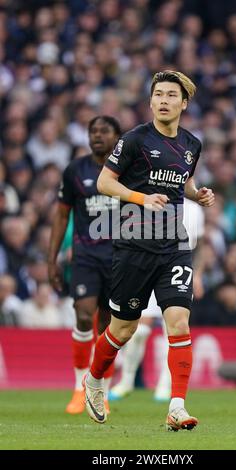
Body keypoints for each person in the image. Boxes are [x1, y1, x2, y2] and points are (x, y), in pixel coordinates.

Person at [83, 70, 215, 431]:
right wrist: (141, 197)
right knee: (123, 330)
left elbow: (181, 180)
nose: (163, 101)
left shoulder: (191, 144)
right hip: (133, 246)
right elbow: (104, 181)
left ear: (183, 103)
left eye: (171, 95)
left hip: (173, 245)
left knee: (179, 321)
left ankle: (176, 406)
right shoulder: (135, 140)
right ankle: (94, 380)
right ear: (151, 100)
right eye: (158, 94)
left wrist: (197, 194)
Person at [48, 116, 121, 414]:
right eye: (93, 131)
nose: (97, 136)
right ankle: (79, 387)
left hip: (119, 258)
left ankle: (98, 390)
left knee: (108, 327)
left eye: (104, 131)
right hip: (85, 258)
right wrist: (51, 259)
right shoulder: (75, 171)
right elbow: (62, 215)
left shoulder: (128, 170)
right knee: (82, 315)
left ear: (118, 137)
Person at [109, 198, 205, 402]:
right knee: (139, 330)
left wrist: (198, 274)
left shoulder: (194, 208)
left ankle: (165, 384)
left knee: (174, 328)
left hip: (176, 268)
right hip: (149, 267)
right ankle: (126, 382)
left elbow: (200, 245)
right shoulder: (154, 197)